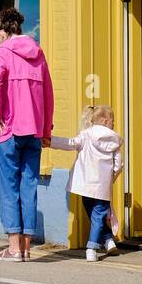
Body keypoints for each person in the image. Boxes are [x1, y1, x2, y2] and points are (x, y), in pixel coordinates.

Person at [0, 7, 53, 262]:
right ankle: (25, 248)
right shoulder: (38, 54)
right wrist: (46, 130)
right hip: (34, 129)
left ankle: (13, 247)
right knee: (29, 185)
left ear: (2, 32)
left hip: (9, 129)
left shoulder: (3, 53)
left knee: (8, 187)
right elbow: (48, 94)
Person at [51, 105, 124, 262]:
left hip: (85, 185)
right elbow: (119, 165)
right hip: (102, 186)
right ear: (105, 121)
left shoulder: (86, 135)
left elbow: (70, 143)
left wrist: (49, 141)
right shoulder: (115, 140)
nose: (114, 124)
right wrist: (111, 178)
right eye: (113, 121)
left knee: (94, 214)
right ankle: (93, 248)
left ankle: (107, 241)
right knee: (99, 215)